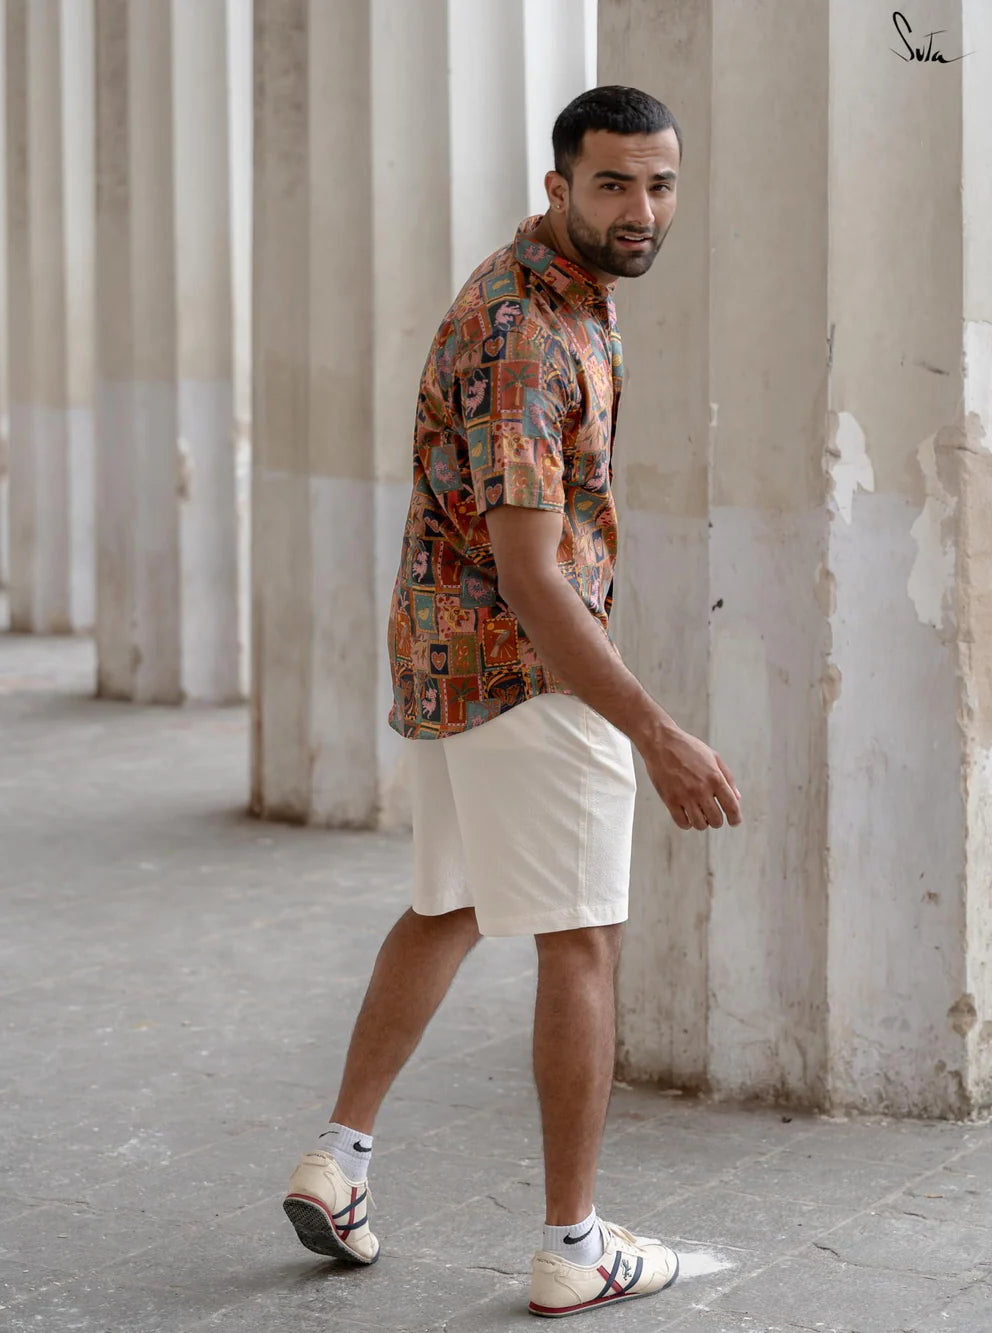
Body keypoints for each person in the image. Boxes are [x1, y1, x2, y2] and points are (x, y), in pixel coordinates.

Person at [282, 85, 742, 1319]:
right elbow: (535, 575)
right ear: (558, 187)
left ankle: (341, 1159)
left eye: (659, 184)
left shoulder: (547, 292)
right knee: (580, 940)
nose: (640, 209)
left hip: (448, 660)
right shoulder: (531, 332)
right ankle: (572, 1244)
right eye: (611, 184)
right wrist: (656, 732)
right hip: (526, 668)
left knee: (449, 900)